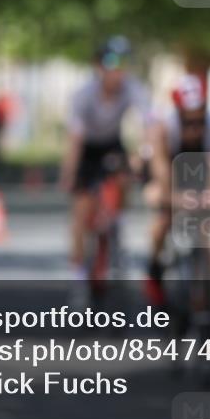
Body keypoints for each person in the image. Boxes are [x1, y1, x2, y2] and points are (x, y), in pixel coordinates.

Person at [60, 36, 151, 285]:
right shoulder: (84, 94)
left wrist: (143, 155)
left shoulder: (132, 88)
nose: (117, 70)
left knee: (126, 175)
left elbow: (147, 123)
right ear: (99, 66)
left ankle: (116, 225)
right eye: (111, 62)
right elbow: (75, 139)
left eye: (123, 63)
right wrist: (70, 173)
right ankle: (78, 274)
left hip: (112, 144)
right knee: (81, 210)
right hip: (87, 148)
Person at [144, 74, 210, 306]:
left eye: (199, 122)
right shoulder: (163, 130)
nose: (194, 129)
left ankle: (209, 297)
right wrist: (174, 197)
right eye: (188, 123)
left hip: (200, 176)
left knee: (204, 234)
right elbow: (161, 173)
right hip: (172, 176)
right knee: (161, 218)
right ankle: (154, 269)